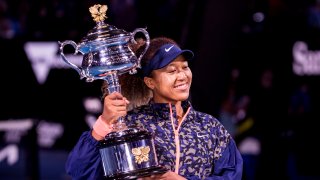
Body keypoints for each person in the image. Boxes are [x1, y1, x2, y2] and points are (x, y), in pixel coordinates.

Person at [65, 36, 243, 179]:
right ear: (150, 82)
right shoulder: (130, 125)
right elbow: (79, 171)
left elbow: (232, 175)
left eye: (185, 68)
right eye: (171, 71)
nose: (182, 76)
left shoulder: (210, 127)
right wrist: (104, 121)